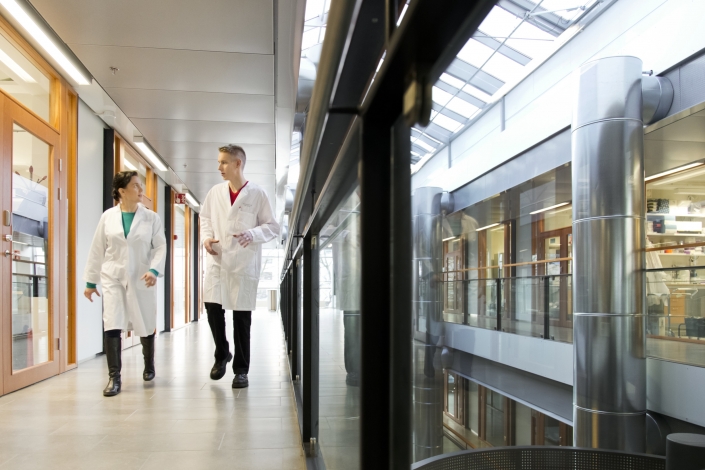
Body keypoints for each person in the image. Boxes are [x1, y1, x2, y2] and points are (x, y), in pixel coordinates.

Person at [201, 144, 279, 389]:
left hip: (243, 263)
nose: (219, 167)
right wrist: (206, 238)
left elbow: (272, 227)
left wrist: (253, 233)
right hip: (218, 260)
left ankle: (241, 370)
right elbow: (204, 218)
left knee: (241, 318)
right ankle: (222, 353)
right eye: (219, 162)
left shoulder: (257, 193)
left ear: (238, 164)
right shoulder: (215, 192)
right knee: (213, 308)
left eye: (224, 162)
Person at [84, 171, 167, 397]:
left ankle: (148, 365)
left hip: (142, 276)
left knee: (144, 319)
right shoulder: (107, 217)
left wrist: (154, 269)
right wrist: (91, 281)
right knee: (112, 321)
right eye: (136, 186)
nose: (141, 191)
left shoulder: (152, 218)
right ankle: (114, 378)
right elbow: (97, 249)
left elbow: (160, 246)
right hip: (113, 276)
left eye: (141, 186)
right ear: (122, 191)